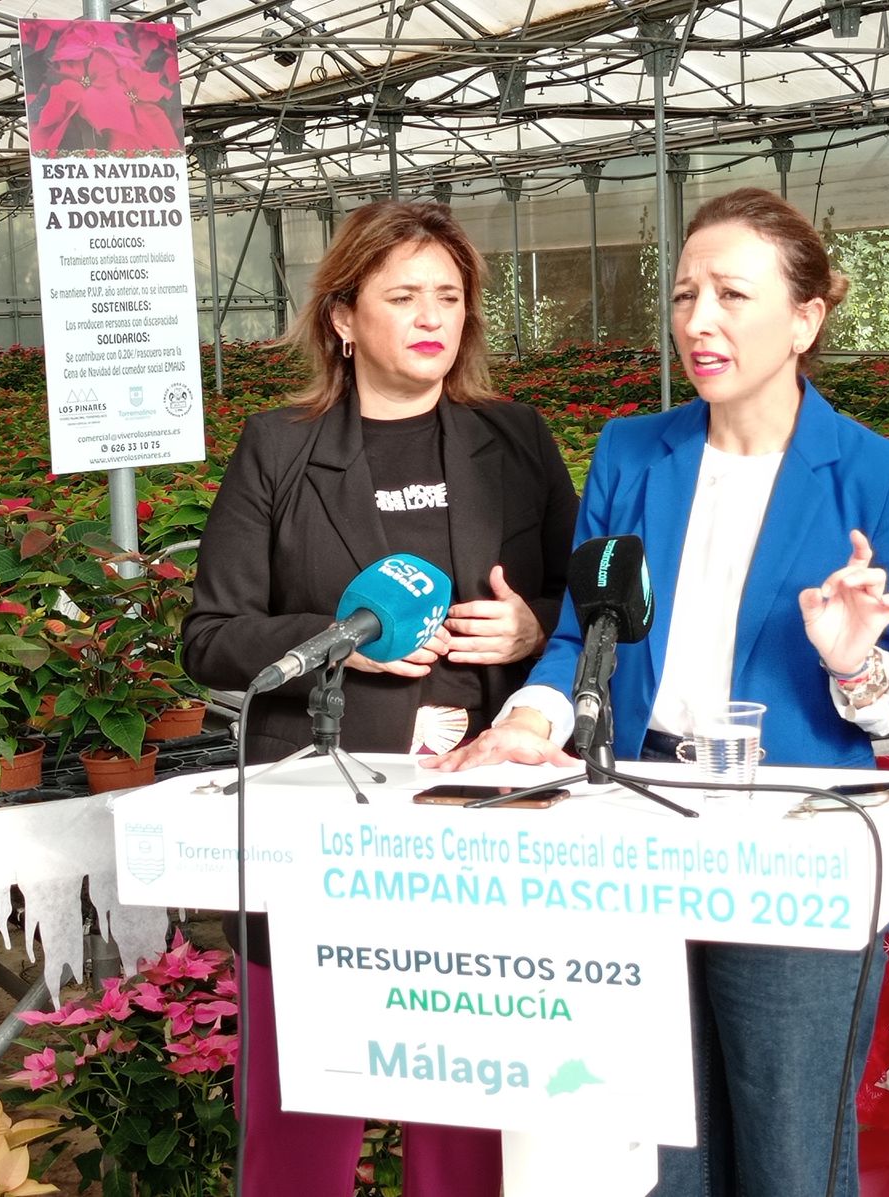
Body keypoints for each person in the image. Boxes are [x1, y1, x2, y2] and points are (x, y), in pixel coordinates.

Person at [424, 187, 889, 1196]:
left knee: (790, 1154)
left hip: (792, 838)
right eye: (682, 295)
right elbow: (584, 632)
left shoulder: (881, 477)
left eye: (731, 295)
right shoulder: (634, 452)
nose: (699, 321)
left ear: (805, 318)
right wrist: (528, 719)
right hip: (640, 819)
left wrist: (853, 662)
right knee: (660, 1151)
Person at [178, 199, 578, 1197]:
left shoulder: (514, 438)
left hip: (481, 818)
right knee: (301, 1125)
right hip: (322, 821)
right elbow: (211, 637)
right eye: (402, 297)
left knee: (467, 1124)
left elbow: (583, 610)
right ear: (344, 318)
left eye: (448, 295)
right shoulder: (278, 447)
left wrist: (530, 628)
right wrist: (337, 645)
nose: (431, 316)